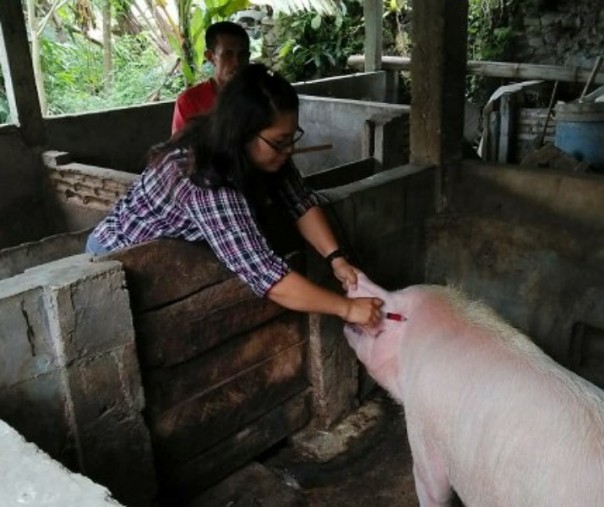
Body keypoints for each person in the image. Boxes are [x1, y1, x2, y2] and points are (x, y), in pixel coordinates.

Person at [87, 64, 383, 327]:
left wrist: (336, 260)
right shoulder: (203, 176)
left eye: (292, 137)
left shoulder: (266, 153)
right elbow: (267, 274)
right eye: (280, 141)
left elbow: (300, 201)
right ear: (242, 133)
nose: (289, 150)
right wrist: (347, 308)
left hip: (170, 252)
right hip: (116, 260)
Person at [171, 21, 250, 134]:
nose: (236, 62)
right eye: (227, 54)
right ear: (210, 57)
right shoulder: (190, 100)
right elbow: (181, 148)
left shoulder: (259, 96)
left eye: (242, 55)